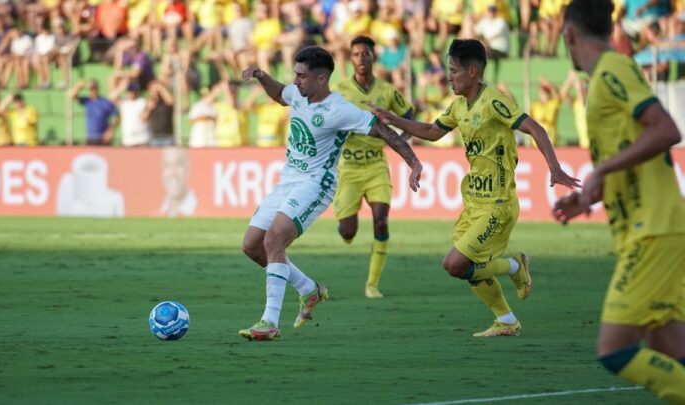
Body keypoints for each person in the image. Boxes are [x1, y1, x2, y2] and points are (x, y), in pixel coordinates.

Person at [369, 39, 580, 337]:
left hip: (498, 203)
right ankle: (506, 320)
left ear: (472, 72)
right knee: (466, 267)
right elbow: (431, 131)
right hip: (474, 203)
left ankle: (514, 266)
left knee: (455, 263)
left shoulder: (495, 101)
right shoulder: (458, 106)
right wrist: (392, 118)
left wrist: (555, 168)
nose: (449, 76)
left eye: (453, 71)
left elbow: (536, 128)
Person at [239, 46, 423, 341]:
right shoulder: (298, 94)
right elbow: (279, 94)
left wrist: (413, 163)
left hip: (316, 183)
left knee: (274, 239)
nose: (296, 81)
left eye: (302, 76)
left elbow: (383, 131)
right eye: (296, 75)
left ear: (322, 79)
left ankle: (269, 322)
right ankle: (308, 289)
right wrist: (261, 76)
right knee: (252, 246)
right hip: (288, 179)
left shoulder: (340, 109)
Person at [554, 1, 685, 402]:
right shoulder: (605, 76)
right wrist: (593, 191)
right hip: (647, 230)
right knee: (672, 352)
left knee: (614, 349)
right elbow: (635, 146)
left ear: (569, 34)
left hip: (654, 230)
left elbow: (666, 130)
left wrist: (603, 170)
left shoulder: (614, 69)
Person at [332, 36, 415, 298]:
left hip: (376, 165)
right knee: (348, 230)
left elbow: (408, 115)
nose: (360, 59)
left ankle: (372, 284)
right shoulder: (340, 90)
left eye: (365, 54)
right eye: (355, 54)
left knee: (381, 221)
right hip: (348, 168)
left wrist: (401, 140)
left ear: (373, 57)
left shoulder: (387, 91)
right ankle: (345, 229)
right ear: (351, 58)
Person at [68, 79, 119, 145]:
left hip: (103, 139)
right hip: (90, 138)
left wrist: (110, 129)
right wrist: (79, 86)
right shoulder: (87, 101)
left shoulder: (105, 102)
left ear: (98, 88)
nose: (93, 91)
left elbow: (117, 116)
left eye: (94, 88)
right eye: (91, 89)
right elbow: (71, 95)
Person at [160, 147, 197, 217]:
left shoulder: (201, 214)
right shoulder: (155, 214)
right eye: (167, 165)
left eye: (178, 164)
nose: (172, 173)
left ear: (188, 167)